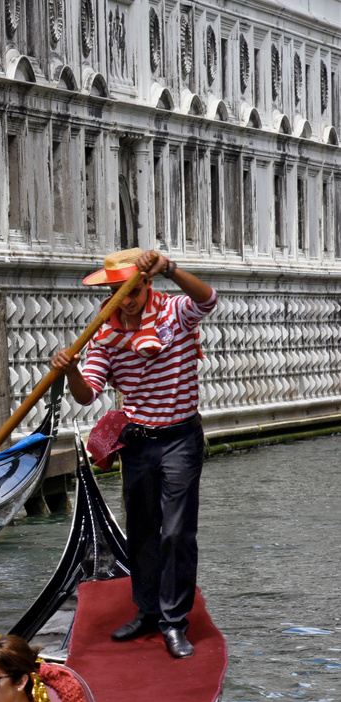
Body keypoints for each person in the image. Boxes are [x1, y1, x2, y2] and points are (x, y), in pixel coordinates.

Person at [51, 248, 216, 659]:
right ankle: (146, 611)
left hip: (181, 437)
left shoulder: (175, 312)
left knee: (176, 532)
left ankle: (174, 622)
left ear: (147, 285)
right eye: (118, 292)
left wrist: (172, 269)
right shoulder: (103, 334)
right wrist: (69, 369)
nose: (126, 299)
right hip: (138, 442)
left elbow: (208, 300)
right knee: (142, 530)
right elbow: (88, 394)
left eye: (133, 291)